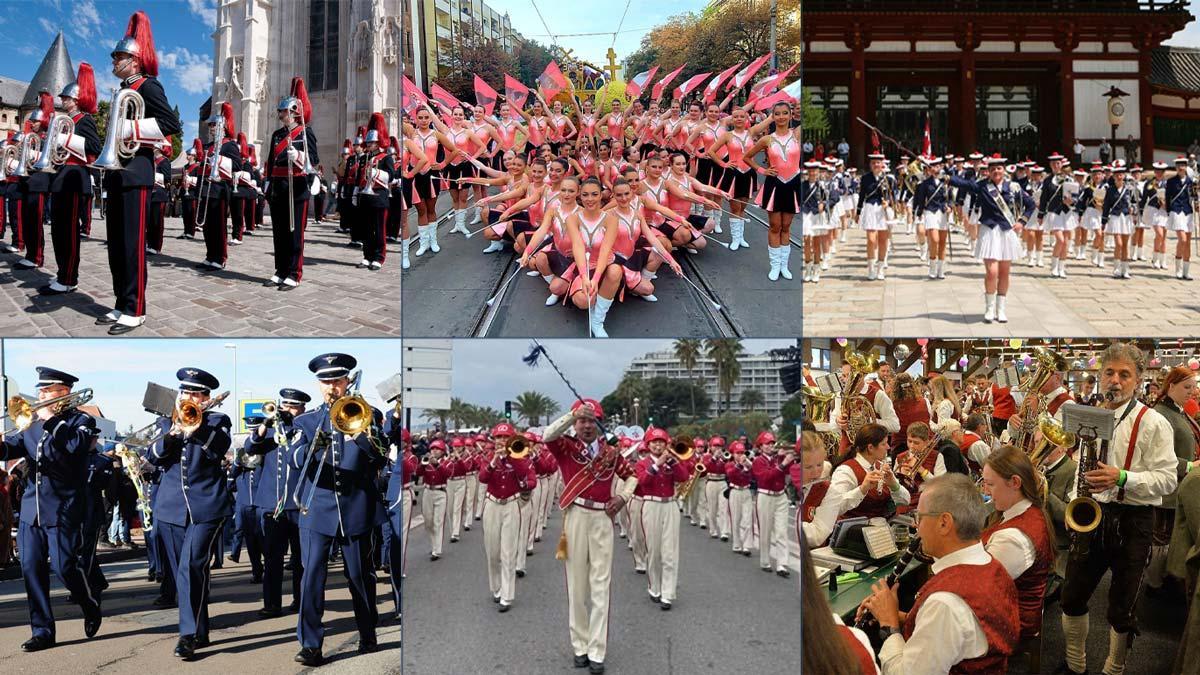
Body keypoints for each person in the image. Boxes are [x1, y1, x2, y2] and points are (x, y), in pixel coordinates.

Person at [1058, 343, 1178, 675]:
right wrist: (1074, 501)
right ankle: (1075, 664)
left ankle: (1114, 669)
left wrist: (1123, 477)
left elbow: (1168, 481)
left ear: (1138, 380)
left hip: (1134, 519)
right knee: (1072, 597)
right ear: (1100, 375)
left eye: (1124, 374)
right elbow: (1081, 466)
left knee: (1122, 608)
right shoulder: (1089, 415)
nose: (1115, 380)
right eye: (1109, 372)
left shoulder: (1153, 422)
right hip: (1091, 513)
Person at [858, 473, 1019, 674]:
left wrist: (889, 627)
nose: (917, 526)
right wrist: (892, 614)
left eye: (920, 517)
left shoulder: (944, 603)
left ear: (944, 522)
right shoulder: (992, 566)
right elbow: (959, 633)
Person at [286, 353, 387, 666]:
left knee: (359, 574)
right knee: (312, 575)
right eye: (326, 382)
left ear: (347, 382)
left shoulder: (369, 414)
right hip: (317, 509)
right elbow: (294, 459)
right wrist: (311, 445)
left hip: (356, 506)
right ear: (319, 386)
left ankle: (368, 633)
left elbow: (381, 456)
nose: (332, 387)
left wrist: (361, 436)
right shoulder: (306, 420)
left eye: (337, 381)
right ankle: (311, 645)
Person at [1, 367, 102, 652]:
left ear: (64, 393)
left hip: (64, 509)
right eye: (41, 391)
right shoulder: (30, 422)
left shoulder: (81, 420)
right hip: (33, 510)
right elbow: (14, 447)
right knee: (31, 568)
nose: (40, 396)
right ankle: (42, 631)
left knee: (64, 567)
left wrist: (51, 421)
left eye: (46, 391)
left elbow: (76, 447)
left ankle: (89, 603)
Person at [98, 11, 182, 334]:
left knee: (133, 245)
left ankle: (136, 308)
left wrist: (132, 127)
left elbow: (171, 125)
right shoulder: (122, 90)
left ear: (134, 60)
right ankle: (121, 302)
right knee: (116, 244)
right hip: (118, 172)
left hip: (138, 172)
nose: (115, 61)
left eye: (119, 56)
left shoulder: (149, 86)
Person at [542, 399, 636, 675]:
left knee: (600, 586)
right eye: (581, 421)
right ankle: (579, 646)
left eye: (590, 420)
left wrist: (622, 496)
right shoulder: (566, 447)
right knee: (577, 586)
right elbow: (547, 435)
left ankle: (597, 650)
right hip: (575, 518)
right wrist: (571, 415)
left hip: (602, 519)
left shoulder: (612, 453)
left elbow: (632, 477)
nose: (585, 425)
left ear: (598, 423)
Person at [145, 367, 232, 660]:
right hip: (170, 509)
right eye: (185, 392)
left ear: (206, 397)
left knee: (190, 567)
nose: (189, 397)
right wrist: (173, 433)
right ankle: (200, 628)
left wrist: (199, 430)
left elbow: (218, 449)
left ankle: (187, 635)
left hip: (206, 508)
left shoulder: (218, 421)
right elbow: (153, 457)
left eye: (195, 393)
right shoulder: (166, 420)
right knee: (188, 573)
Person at [244, 387, 310, 618]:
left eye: (293, 406)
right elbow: (250, 448)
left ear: (302, 408)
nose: (287, 410)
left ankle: (301, 601)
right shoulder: (271, 431)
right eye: (284, 405)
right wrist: (266, 424)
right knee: (273, 558)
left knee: (301, 559)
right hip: (273, 504)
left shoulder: (305, 428)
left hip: (300, 503)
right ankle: (272, 603)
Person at [979, 445, 1055, 642]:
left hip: (1012, 621)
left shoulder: (1013, 538)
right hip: (1007, 607)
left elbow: (979, 588)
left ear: (1014, 482)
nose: (985, 491)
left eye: (990, 484)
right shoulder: (1025, 510)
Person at [948, 154, 1036, 323]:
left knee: (1004, 272)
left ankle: (1000, 309)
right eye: (993, 169)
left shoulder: (1014, 187)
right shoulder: (982, 186)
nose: (996, 171)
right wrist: (945, 177)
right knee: (991, 272)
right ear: (988, 171)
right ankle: (989, 308)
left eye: (999, 168)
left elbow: (1030, 204)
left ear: (1004, 170)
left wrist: (1022, 221)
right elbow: (964, 184)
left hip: (1007, 232)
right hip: (989, 230)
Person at [1146, 366, 1200, 593]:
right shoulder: (1160, 414)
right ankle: (1155, 584)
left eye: (1194, 386)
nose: (1193, 391)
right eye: (1187, 387)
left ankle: (1165, 579)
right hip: (1168, 490)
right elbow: (1154, 456)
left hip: (1180, 487)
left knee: (1170, 537)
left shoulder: (1176, 411)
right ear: (1171, 386)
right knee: (1162, 538)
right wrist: (1190, 465)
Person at [264, 77, 318, 288]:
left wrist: (297, 155)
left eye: (284, 112)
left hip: (297, 187)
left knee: (295, 234)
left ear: (295, 112)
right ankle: (281, 270)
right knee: (279, 233)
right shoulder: (277, 135)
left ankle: (294, 273)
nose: (281, 115)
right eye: (280, 112)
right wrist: (267, 183)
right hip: (278, 186)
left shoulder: (306, 132)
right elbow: (270, 160)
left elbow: (313, 161)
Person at [478, 428, 535, 612]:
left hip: (511, 505)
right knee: (492, 552)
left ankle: (507, 596)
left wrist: (510, 457)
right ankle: (496, 588)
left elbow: (529, 479)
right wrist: (495, 460)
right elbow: (483, 478)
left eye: (505, 437)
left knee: (508, 553)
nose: (501, 440)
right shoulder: (488, 457)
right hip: (492, 504)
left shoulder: (521, 457)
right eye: (498, 437)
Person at [828, 424, 911, 520]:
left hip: (881, 527)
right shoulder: (845, 471)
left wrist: (894, 485)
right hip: (854, 530)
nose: (888, 447)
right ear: (870, 448)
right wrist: (862, 489)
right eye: (884, 444)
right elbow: (834, 507)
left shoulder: (880, 466)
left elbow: (906, 500)